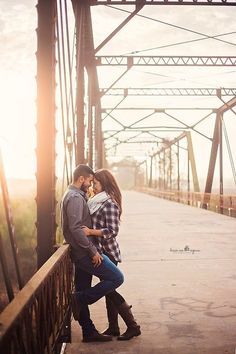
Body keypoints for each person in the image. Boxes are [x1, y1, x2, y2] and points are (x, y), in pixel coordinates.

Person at [60, 164, 124, 342]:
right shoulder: (74, 197)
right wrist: (92, 251)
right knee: (116, 278)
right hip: (85, 252)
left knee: (89, 286)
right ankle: (80, 300)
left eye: (94, 182)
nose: (90, 184)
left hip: (85, 250)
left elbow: (81, 227)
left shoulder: (81, 197)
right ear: (82, 179)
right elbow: (76, 228)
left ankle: (88, 331)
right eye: (90, 180)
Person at [82, 168, 141, 341]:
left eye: (96, 182)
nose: (94, 185)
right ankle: (114, 327)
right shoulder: (97, 200)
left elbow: (112, 231)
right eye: (92, 182)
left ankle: (133, 326)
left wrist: (90, 232)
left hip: (108, 253)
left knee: (110, 290)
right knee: (109, 290)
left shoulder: (109, 203)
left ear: (105, 183)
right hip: (102, 251)